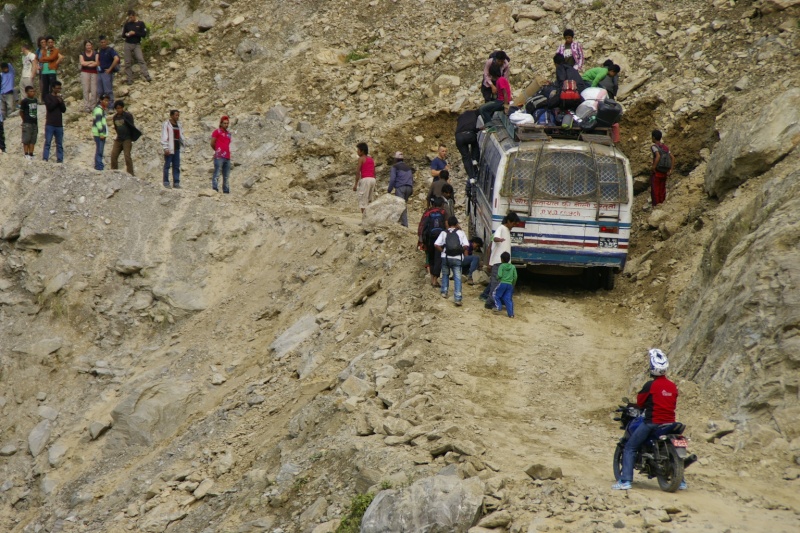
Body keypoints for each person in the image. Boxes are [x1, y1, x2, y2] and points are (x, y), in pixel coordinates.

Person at [612, 349, 686, 491]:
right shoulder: (672, 386)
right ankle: (681, 481)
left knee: (630, 447)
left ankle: (625, 481)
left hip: (653, 422)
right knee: (675, 452)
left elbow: (640, 403)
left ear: (652, 368)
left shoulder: (650, 385)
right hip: (670, 422)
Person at [481, 212, 520, 308]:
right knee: (495, 284)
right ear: (508, 221)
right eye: (513, 224)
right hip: (498, 262)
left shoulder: (506, 230)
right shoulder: (501, 228)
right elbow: (495, 238)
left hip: (504, 263)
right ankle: (490, 303)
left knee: (500, 284)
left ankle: (497, 301)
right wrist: (499, 239)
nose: (513, 226)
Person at [434, 215, 470, 307]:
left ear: (448, 224)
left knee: (445, 274)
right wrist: (460, 250)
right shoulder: (461, 233)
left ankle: (444, 292)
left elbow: (436, 244)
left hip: (445, 257)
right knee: (457, 278)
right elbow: (466, 245)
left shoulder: (444, 233)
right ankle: (457, 298)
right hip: (457, 258)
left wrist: (443, 251)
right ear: (456, 223)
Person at [418, 197, 447, 287]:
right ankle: (435, 280)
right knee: (438, 258)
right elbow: (447, 226)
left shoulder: (427, 212)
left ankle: (431, 279)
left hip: (429, 238)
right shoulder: (443, 213)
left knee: (430, 257)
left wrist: (421, 240)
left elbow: (421, 226)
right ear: (442, 204)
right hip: (440, 238)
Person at [122, 10, 152, 84]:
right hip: (128, 43)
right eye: (129, 17)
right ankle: (129, 79)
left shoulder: (140, 23)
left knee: (140, 59)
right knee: (127, 62)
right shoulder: (127, 24)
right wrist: (127, 34)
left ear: (134, 16)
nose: (130, 19)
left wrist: (135, 33)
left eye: (131, 17)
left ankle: (146, 75)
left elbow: (144, 34)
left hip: (136, 44)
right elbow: (123, 35)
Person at [455, 109, 480, 188]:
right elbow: (475, 128)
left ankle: (471, 177)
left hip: (459, 137)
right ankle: (474, 160)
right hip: (470, 134)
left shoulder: (461, 116)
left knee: (465, 157)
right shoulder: (475, 114)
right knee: (475, 143)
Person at [42, 80, 66, 163]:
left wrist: (61, 101)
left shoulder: (60, 98)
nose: (59, 90)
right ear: (53, 88)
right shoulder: (48, 97)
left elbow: (63, 110)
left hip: (59, 124)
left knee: (59, 144)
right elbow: (50, 107)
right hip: (50, 124)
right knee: (48, 142)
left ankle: (60, 159)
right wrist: (57, 101)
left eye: (60, 88)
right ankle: (45, 158)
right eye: (57, 88)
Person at [388, 151, 414, 227]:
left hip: (400, 187)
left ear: (395, 159)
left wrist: (389, 190)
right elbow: (411, 178)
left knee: (401, 205)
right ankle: (401, 222)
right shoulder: (408, 167)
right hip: (409, 188)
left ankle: (405, 224)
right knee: (404, 204)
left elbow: (392, 179)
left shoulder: (395, 167)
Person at [110, 101, 137, 175]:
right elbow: (116, 127)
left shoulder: (127, 116)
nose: (119, 110)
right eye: (117, 108)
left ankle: (131, 173)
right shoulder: (115, 117)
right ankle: (114, 172)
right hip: (119, 139)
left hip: (127, 139)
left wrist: (131, 137)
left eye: (120, 108)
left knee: (127, 156)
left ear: (123, 108)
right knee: (113, 155)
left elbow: (132, 126)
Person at [161, 110, 185, 189]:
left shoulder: (179, 125)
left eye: (178, 115)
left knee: (176, 166)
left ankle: (176, 182)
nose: (177, 117)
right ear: (171, 115)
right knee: (167, 165)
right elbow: (164, 136)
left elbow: (180, 136)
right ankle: (166, 181)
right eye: (176, 115)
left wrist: (183, 143)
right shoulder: (167, 124)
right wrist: (165, 147)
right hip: (170, 148)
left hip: (177, 148)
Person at [650, 130, 674, 207]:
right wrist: (670, 170)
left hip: (657, 172)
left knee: (655, 189)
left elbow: (658, 156)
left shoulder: (654, 146)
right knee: (662, 189)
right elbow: (673, 158)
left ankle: (656, 206)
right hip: (664, 172)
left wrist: (653, 167)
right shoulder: (665, 148)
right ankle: (662, 205)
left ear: (653, 137)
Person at [97, 36, 120, 110]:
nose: (103, 44)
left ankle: (111, 106)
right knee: (100, 91)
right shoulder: (100, 51)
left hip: (107, 73)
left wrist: (110, 69)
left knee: (108, 91)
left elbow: (116, 59)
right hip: (100, 72)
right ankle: (103, 106)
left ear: (106, 42)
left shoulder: (110, 50)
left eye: (104, 42)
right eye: (101, 42)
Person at [211, 116, 232, 193]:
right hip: (219, 156)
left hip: (227, 156)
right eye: (224, 123)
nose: (226, 125)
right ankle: (215, 188)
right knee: (217, 172)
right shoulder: (217, 132)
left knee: (226, 175)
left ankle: (226, 190)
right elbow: (212, 143)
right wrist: (217, 150)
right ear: (221, 123)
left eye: (227, 123)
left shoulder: (229, 134)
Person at [353, 142, 376, 214]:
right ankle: (369, 217)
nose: (357, 151)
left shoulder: (361, 159)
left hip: (366, 180)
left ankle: (364, 219)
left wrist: (356, 184)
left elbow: (358, 172)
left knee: (363, 200)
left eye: (358, 150)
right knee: (369, 200)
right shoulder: (371, 159)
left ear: (362, 151)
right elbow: (374, 172)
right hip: (372, 179)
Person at [493, 252, 517, 318]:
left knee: (495, 295)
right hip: (510, 285)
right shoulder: (513, 266)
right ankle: (511, 314)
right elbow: (515, 276)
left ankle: (498, 307)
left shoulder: (501, 266)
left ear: (501, 259)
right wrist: (513, 283)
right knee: (508, 299)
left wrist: (497, 278)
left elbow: (499, 275)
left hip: (502, 283)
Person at [79, 40, 99, 113]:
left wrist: (87, 63)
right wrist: (91, 62)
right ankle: (87, 106)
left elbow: (96, 63)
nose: (88, 47)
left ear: (92, 46)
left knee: (94, 90)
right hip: (85, 72)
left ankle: (93, 105)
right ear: (85, 46)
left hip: (94, 72)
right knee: (86, 90)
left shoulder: (95, 53)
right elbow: (82, 63)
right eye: (87, 45)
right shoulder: (82, 54)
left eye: (90, 45)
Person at [19, 86, 38, 160]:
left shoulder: (35, 100)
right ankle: (26, 153)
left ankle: (31, 153)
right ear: (27, 92)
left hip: (34, 122)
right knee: (26, 139)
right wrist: (24, 120)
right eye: (31, 91)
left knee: (33, 139)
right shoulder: (25, 101)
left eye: (33, 91)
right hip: (27, 122)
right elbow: (21, 112)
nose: (32, 93)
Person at [92, 94, 110, 170]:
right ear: (101, 101)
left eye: (107, 101)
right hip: (99, 134)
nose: (107, 102)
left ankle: (98, 165)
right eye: (105, 100)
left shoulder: (101, 109)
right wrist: (101, 133)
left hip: (99, 133)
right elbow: (98, 123)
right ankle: (99, 166)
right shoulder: (99, 110)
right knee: (100, 150)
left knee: (100, 149)